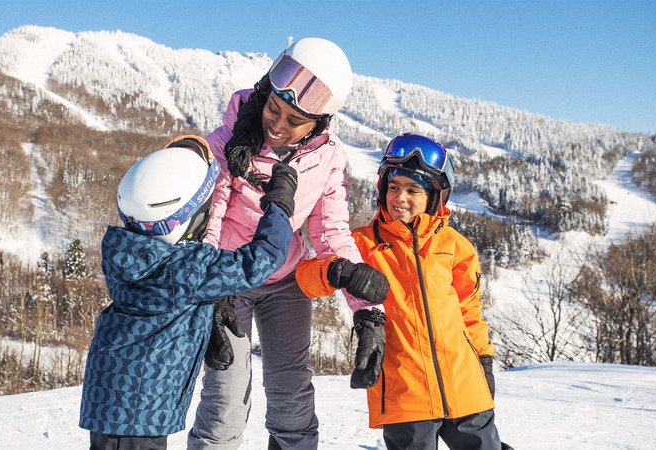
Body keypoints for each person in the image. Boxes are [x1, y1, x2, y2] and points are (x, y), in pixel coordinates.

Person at [188, 38, 389, 450]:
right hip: (229, 280)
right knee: (225, 394)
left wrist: (368, 313)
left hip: (285, 283)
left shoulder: (328, 156)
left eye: (294, 120)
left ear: (319, 121)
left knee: (291, 392)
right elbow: (208, 218)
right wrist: (207, 289)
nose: (277, 125)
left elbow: (332, 233)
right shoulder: (231, 138)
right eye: (273, 109)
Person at [79, 135, 300, 450]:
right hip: (139, 406)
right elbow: (260, 261)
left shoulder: (123, 250)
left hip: (112, 394)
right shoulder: (184, 267)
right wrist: (279, 205)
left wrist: (206, 308)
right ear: (191, 220)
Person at [296, 134, 504, 449]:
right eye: (394, 187)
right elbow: (305, 279)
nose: (400, 198)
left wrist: (484, 359)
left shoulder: (455, 246)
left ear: (435, 196)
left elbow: (470, 313)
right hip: (405, 394)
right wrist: (337, 270)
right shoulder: (362, 244)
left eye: (413, 190)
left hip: (465, 387)